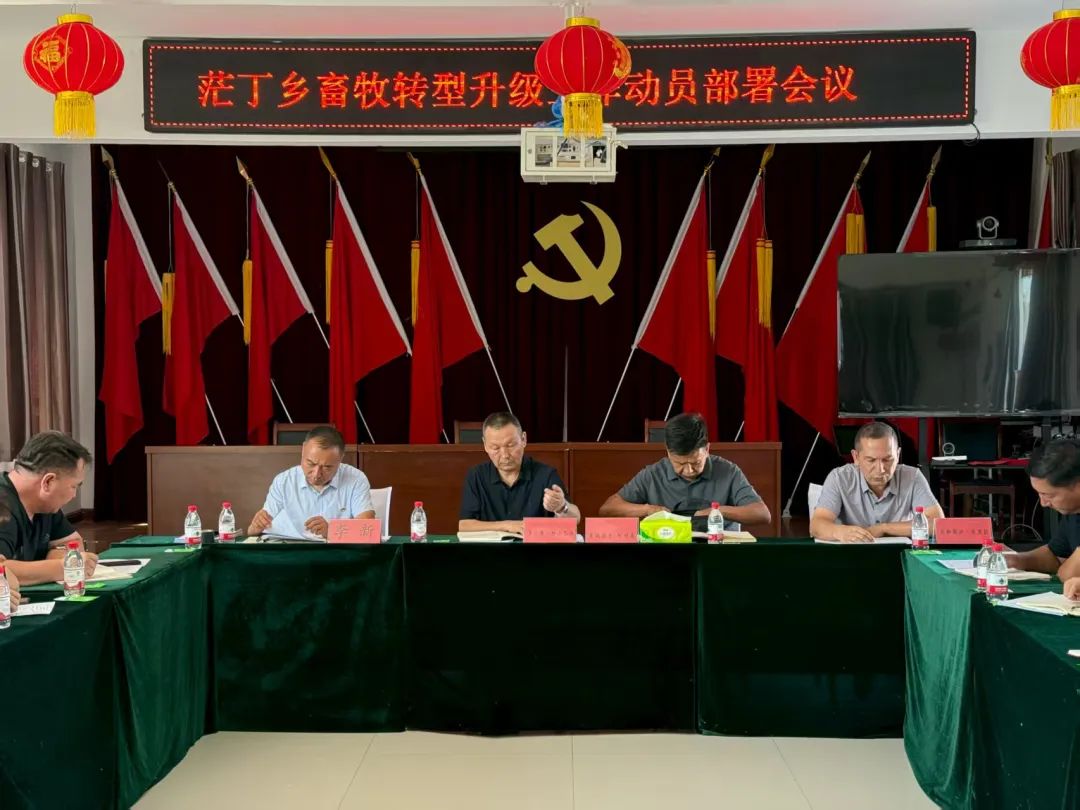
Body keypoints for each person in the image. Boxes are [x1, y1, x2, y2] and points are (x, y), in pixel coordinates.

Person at [599, 412, 770, 531]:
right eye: (680, 463)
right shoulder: (653, 474)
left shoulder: (728, 471)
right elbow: (608, 508)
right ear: (668, 452)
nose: (688, 470)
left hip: (716, 552)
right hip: (670, 553)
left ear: (707, 449)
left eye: (696, 462)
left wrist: (718, 511)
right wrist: (648, 510)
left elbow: (762, 514)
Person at [811, 421, 943, 542]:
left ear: (898, 455)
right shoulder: (839, 478)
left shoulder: (912, 477)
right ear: (856, 457)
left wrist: (884, 528)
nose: (880, 469)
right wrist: (841, 532)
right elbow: (816, 526)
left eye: (887, 459)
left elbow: (938, 525)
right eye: (871, 460)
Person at [0, 431, 96, 586]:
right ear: (48, 482)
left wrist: (55, 556)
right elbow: (2, 571)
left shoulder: (44, 504)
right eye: (74, 486)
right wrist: (63, 567)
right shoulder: (3, 505)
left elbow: (73, 543)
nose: (73, 495)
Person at [459, 412, 580, 535]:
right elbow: (464, 525)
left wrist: (561, 507)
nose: (505, 455)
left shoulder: (545, 475)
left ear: (523, 439)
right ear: (485, 445)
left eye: (510, 445)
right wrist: (508, 525)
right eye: (495, 448)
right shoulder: (476, 476)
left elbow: (576, 519)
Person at [248, 425, 375, 539]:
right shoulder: (284, 481)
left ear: (341, 458)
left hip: (336, 552)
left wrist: (332, 530)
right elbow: (256, 530)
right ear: (303, 450)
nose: (316, 474)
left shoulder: (355, 479)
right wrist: (254, 528)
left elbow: (368, 530)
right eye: (311, 463)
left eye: (327, 467)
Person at [1009, 437, 1080, 581]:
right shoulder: (1073, 510)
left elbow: (1068, 574)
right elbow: (1056, 556)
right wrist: (1017, 560)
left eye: (1048, 495)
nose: (1043, 503)